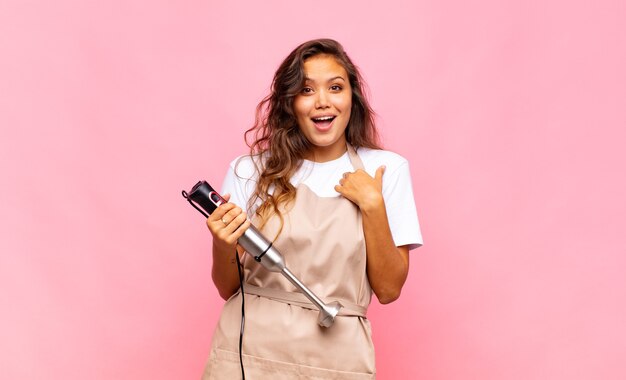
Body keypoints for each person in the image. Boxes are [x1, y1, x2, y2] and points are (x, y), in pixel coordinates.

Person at [202, 38, 422, 379]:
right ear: (290, 103)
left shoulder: (385, 170)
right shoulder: (249, 171)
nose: (323, 102)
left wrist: (373, 206)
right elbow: (227, 288)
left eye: (335, 87)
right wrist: (222, 242)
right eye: (306, 90)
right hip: (248, 354)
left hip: (337, 357)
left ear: (352, 97)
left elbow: (390, 290)